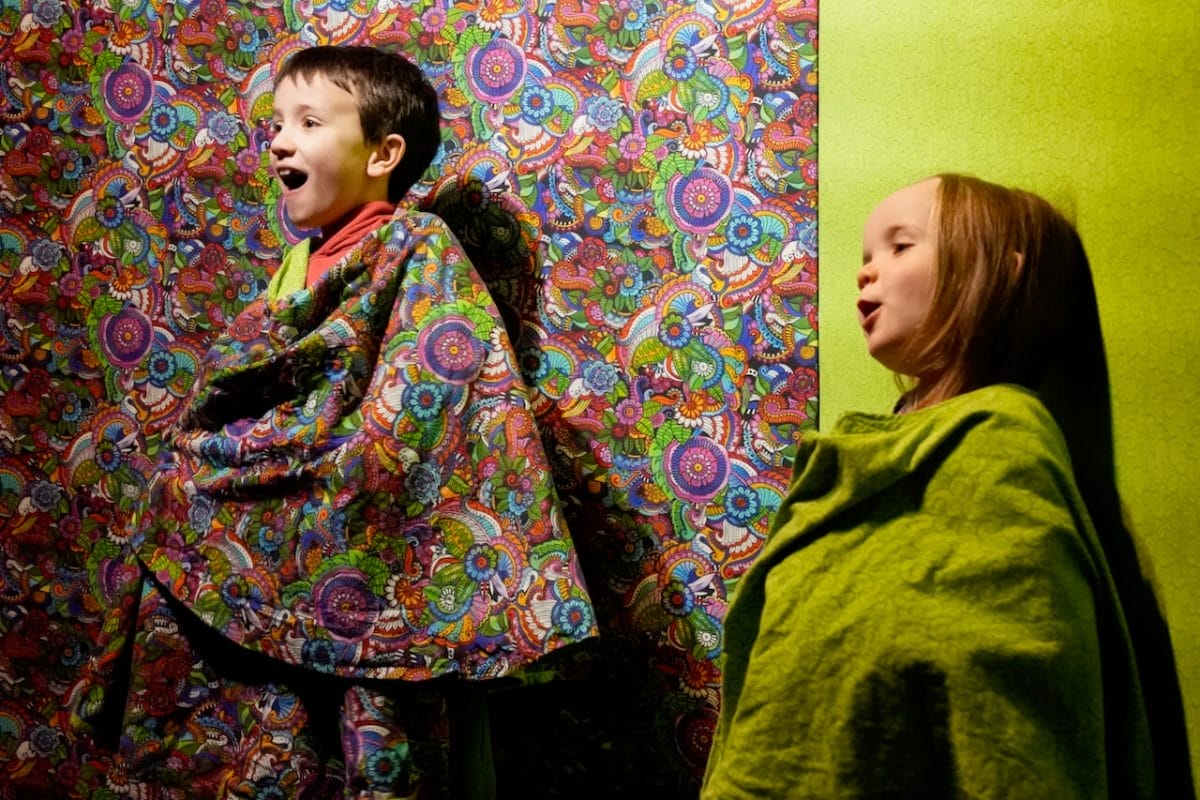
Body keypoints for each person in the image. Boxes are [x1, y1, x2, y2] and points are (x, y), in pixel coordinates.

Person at [73, 45, 596, 799]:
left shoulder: (417, 250)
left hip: (359, 550)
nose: (279, 140)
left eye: (308, 121)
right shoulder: (296, 267)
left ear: (384, 153)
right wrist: (214, 471)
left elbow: (423, 406)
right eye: (276, 123)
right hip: (259, 549)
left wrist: (319, 489)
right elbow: (258, 396)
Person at [701, 174, 1161, 798]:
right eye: (865, 256)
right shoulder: (869, 451)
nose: (866, 272)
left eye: (900, 246)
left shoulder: (1001, 444)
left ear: (1000, 273)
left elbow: (1008, 691)